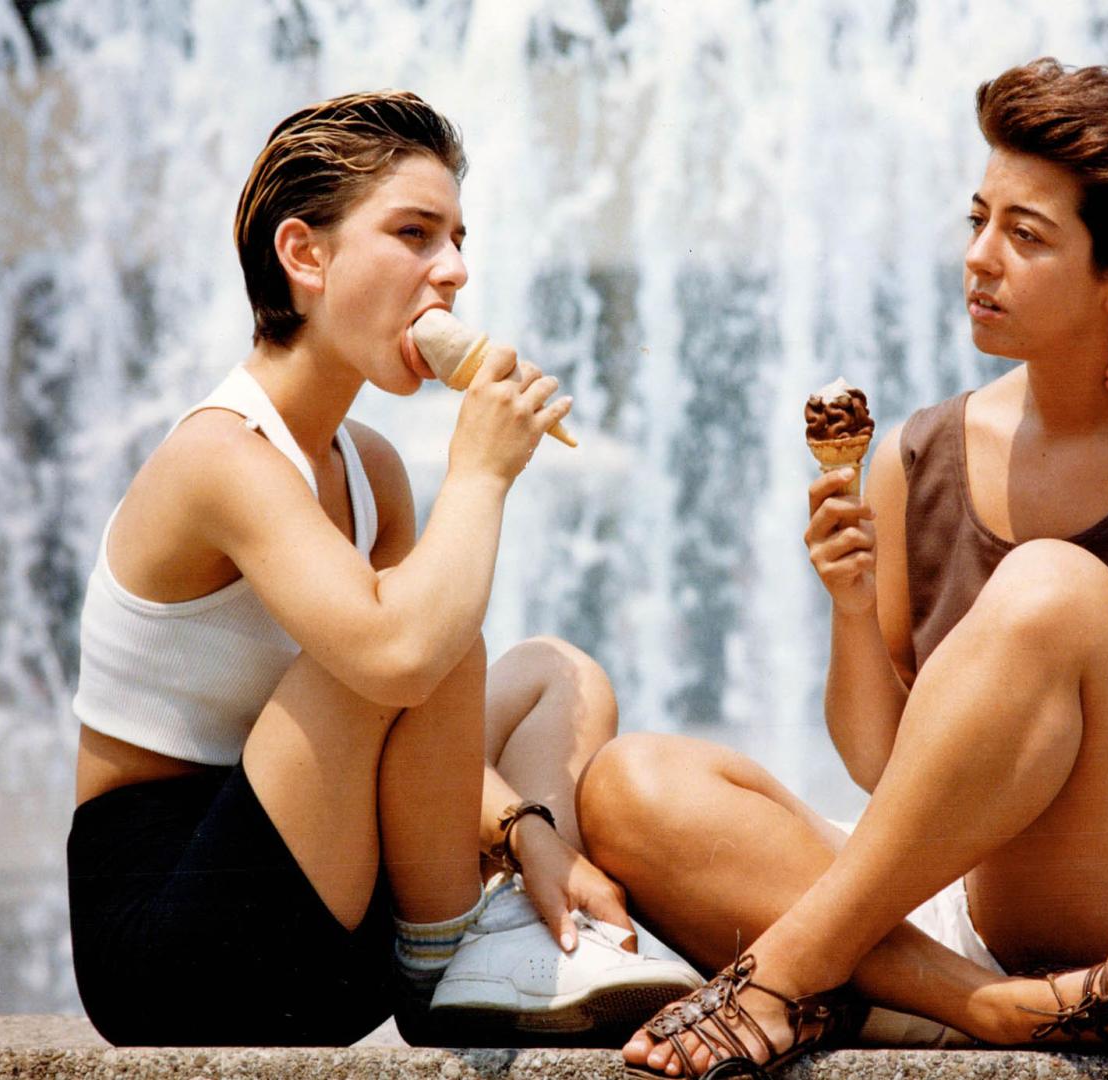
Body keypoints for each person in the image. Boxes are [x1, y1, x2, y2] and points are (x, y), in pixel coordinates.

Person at [577, 58, 1108, 1075]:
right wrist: (846, 607)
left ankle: (791, 973)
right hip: (964, 906)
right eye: (978, 221)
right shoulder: (923, 456)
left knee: (1053, 588)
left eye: (1026, 235)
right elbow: (888, 770)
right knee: (629, 782)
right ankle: (1001, 1010)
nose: (979, 258)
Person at [65, 90, 698, 1047]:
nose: (453, 270)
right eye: (414, 233)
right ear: (305, 256)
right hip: (181, 940)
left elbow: (424, 685)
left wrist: (528, 833)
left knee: (555, 674)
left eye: (455, 238)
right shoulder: (220, 455)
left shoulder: (371, 468)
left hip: (326, 901)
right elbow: (398, 662)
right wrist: (481, 471)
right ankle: (454, 955)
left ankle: (497, 927)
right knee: (408, 631)